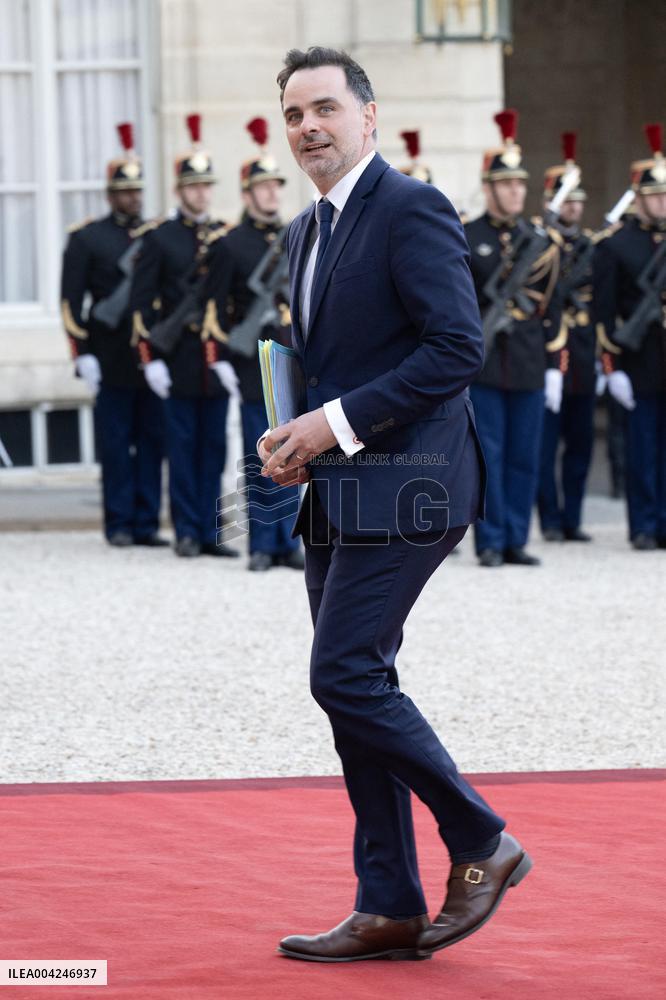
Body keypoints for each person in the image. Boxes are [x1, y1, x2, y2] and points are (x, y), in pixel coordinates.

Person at [258, 46, 531, 964]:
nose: (309, 128)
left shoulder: (411, 207)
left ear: (369, 116)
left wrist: (330, 424)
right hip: (339, 491)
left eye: (326, 108)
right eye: (295, 114)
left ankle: (481, 840)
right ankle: (388, 904)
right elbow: (336, 366)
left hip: (415, 486)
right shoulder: (302, 233)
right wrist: (292, 435)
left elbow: (457, 347)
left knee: (341, 675)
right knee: (355, 692)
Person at [129, 114, 239, 559]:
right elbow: (141, 303)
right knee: (181, 446)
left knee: (214, 446)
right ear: (179, 190)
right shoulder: (160, 239)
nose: (201, 193)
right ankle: (187, 531)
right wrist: (148, 357)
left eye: (206, 185)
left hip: (213, 357)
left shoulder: (225, 238)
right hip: (175, 358)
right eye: (193, 186)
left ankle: (213, 531)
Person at [203, 118, 303, 572]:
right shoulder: (230, 244)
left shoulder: (296, 235)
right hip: (250, 362)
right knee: (256, 453)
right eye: (262, 188)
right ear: (246, 193)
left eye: (275, 187)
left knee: (296, 451)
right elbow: (213, 306)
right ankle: (262, 543)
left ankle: (289, 542)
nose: (271, 195)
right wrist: (221, 355)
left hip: (290, 358)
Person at [465, 110, 564, 567]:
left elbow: (553, 305)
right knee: (489, 456)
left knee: (525, 455)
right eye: (505, 184)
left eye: (519, 184)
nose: (514, 191)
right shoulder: (467, 237)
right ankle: (489, 540)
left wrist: (554, 363)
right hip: (483, 364)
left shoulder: (540, 242)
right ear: (488, 187)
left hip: (526, 361)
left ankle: (516, 538)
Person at [61, 122, 166, 548]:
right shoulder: (88, 238)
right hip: (108, 356)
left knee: (152, 442)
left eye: (138, 190)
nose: (134, 198)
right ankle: (119, 523)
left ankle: (146, 523)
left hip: (151, 355)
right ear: (110, 194)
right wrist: (80, 353)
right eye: (125, 191)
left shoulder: (157, 236)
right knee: (116, 445)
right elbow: (70, 301)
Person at [593, 123, 666, 550]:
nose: (661, 201)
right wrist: (611, 368)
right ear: (638, 198)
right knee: (642, 450)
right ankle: (643, 524)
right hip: (638, 363)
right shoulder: (616, 246)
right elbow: (602, 313)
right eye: (655, 194)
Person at [538, 132, 596, 542]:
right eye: (567, 200)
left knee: (581, 442)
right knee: (544, 446)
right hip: (549, 356)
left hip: (585, 355)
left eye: (578, 201)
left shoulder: (593, 246)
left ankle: (573, 518)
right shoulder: (539, 245)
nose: (574, 207)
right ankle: (551, 519)